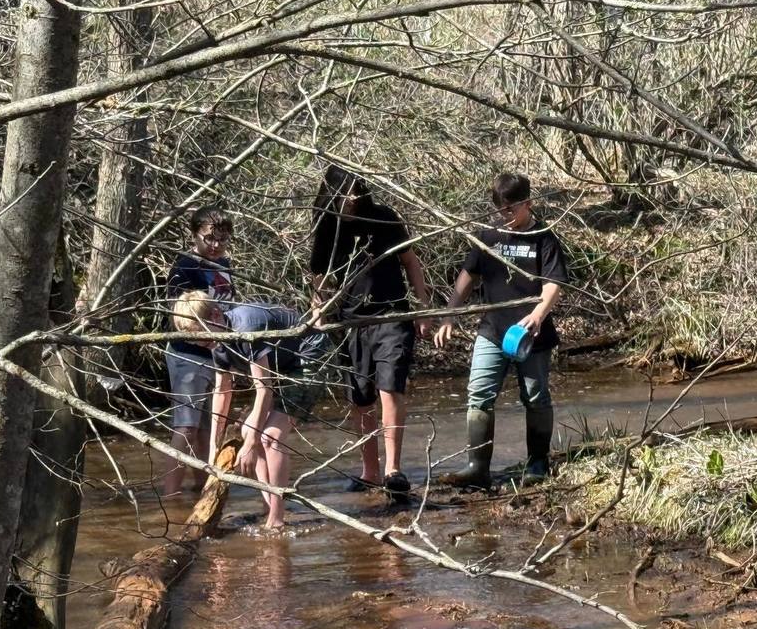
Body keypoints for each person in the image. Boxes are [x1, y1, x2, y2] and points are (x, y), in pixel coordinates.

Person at [434, 173, 568, 489]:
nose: (504, 216)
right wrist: (449, 314)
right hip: (492, 331)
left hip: (531, 335)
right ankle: (477, 467)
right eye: (500, 210)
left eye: (510, 210)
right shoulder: (490, 236)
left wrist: (538, 314)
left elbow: (553, 285)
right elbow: (468, 274)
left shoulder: (544, 238)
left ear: (528, 203)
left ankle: (537, 464)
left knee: (535, 397)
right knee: (479, 394)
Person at [308, 165, 432, 498]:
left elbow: (410, 261)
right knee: (360, 397)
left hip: (391, 314)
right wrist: (319, 311)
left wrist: (422, 308)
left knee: (390, 388)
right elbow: (318, 275)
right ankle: (370, 471)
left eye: (356, 192)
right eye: (345, 193)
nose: (352, 199)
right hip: (351, 321)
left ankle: (393, 469)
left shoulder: (384, 217)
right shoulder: (327, 226)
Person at [172, 291, 328, 529]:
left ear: (215, 315)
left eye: (203, 339)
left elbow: (263, 388)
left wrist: (251, 444)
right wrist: (215, 444)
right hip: (281, 365)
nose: (203, 345)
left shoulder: (246, 329)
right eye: (195, 342)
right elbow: (222, 390)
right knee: (247, 431)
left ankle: (276, 519)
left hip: (308, 355)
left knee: (270, 437)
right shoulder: (218, 337)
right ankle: (269, 506)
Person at [162, 206, 235, 496]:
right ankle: (170, 496)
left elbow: (229, 307)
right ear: (195, 235)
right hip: (187, 353)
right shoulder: (185, 267)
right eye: (209, 238)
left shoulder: (225, 266)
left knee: (207, 429)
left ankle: (202, 490)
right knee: (186, 427)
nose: (216, 245)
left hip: (216, 353)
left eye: (223, 239)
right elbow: (180, 316)